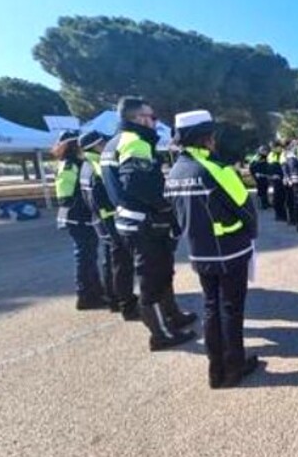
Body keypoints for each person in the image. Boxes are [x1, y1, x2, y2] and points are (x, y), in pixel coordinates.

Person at [165, 110, 259, 388]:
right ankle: (234, 367)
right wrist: (251, 235)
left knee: (210, 307)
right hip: (230, 250)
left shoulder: (174, 172)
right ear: (206, 138)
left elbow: (174, 215)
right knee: (231, 308)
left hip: (198, 251)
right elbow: (245, 208)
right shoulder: (217, 169)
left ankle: (214, 370)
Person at [101, 96, 196, 351]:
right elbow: (138, 183)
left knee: (163, 272)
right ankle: (161, 334)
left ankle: (172, 316)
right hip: (144, 222)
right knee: (152, 279)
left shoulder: (112, 144)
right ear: (137, 119)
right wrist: (166, 206)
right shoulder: (135, 142)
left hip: (131, 219)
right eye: (152, 117)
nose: (155, 122)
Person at [79, 131, 139, 320]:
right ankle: (126, 304)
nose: (107, 144)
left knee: (109, 262)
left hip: (99, 221)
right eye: (103, 142)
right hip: (110, 220)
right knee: (122, 264)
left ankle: (114, 299)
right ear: (97, 145)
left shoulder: (85, 165)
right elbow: (106, 196)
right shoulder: (98, 165)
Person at [53, 130, 106, 310]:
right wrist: (84, 206)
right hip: (77, 217)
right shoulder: (69, 164)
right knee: (84, 256)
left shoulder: (77, 162)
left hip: (81, 217)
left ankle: (95, 291)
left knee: (89, 255)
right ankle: (86, 296)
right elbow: (64, 196)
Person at [267, 142, 286, 222]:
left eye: (275, 147)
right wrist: (272, 175)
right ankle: (278, 215)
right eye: (272, 148)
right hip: (274, 180)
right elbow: (269, 167)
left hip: (282, 178)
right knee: (276, 198)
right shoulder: (271, 155)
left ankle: (284, 214)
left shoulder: (283, 153)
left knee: (283, 198)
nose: (273, 149)